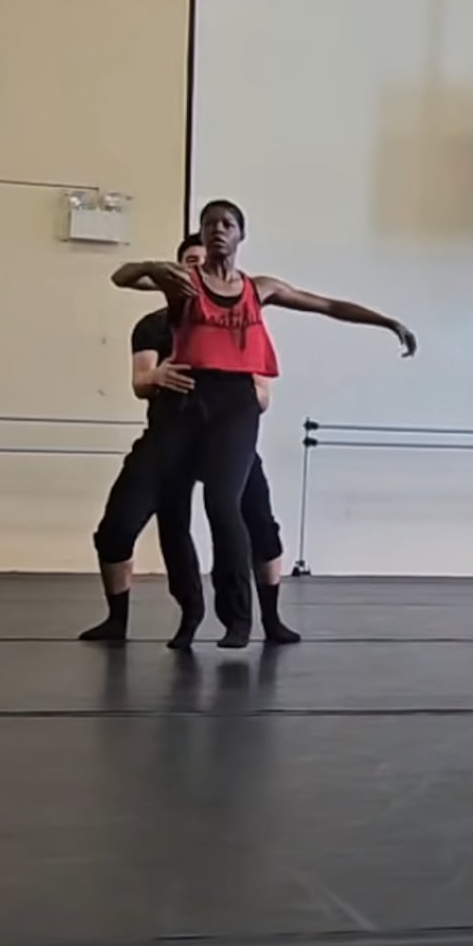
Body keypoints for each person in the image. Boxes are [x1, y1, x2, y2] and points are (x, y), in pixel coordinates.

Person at [114, 198, 416, 648]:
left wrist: (387, 322)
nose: (218, 230)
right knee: (170, 507)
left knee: (224, 502)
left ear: (241, 235)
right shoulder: (183, 283)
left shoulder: (261, 288)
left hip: (235, 402)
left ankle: (239, 620)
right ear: (201, 231)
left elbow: (327, 305)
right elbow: (122, 277)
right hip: (189, 397)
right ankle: (189, 613)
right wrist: (150, 265)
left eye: (227, 224)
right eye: (210, 223)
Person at [81, 234, 300, 647]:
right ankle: (163, 616)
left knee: (257, 523)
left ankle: (268, 620)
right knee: (140, 527)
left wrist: (220, 384)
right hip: (172, 434)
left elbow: (261, 395)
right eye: (190, 265)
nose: (200, 273)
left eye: (206, 263)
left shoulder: (239, 319)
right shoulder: (152, 327)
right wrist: (157, 376)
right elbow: (140, 382)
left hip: (226, 438)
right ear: (177, 273)